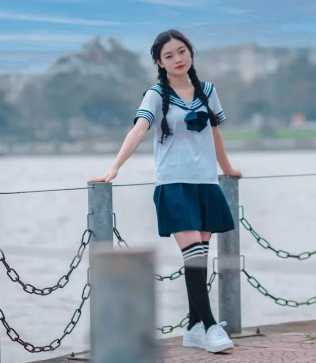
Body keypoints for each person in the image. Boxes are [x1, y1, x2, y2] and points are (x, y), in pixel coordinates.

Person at [88, 29, 242, 354]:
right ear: (159, 62)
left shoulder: (209, 91)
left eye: (182, 51)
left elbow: (215, 135)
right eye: (169, 56)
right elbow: (139, 129)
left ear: (191, 52)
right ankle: (211, 326)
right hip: (174, 184)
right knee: (195, 257)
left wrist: (226, 168)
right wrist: (114, 168)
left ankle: (193, 328)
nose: (177, 59)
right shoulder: (156, 95)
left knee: (199, 257)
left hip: (206, 183)